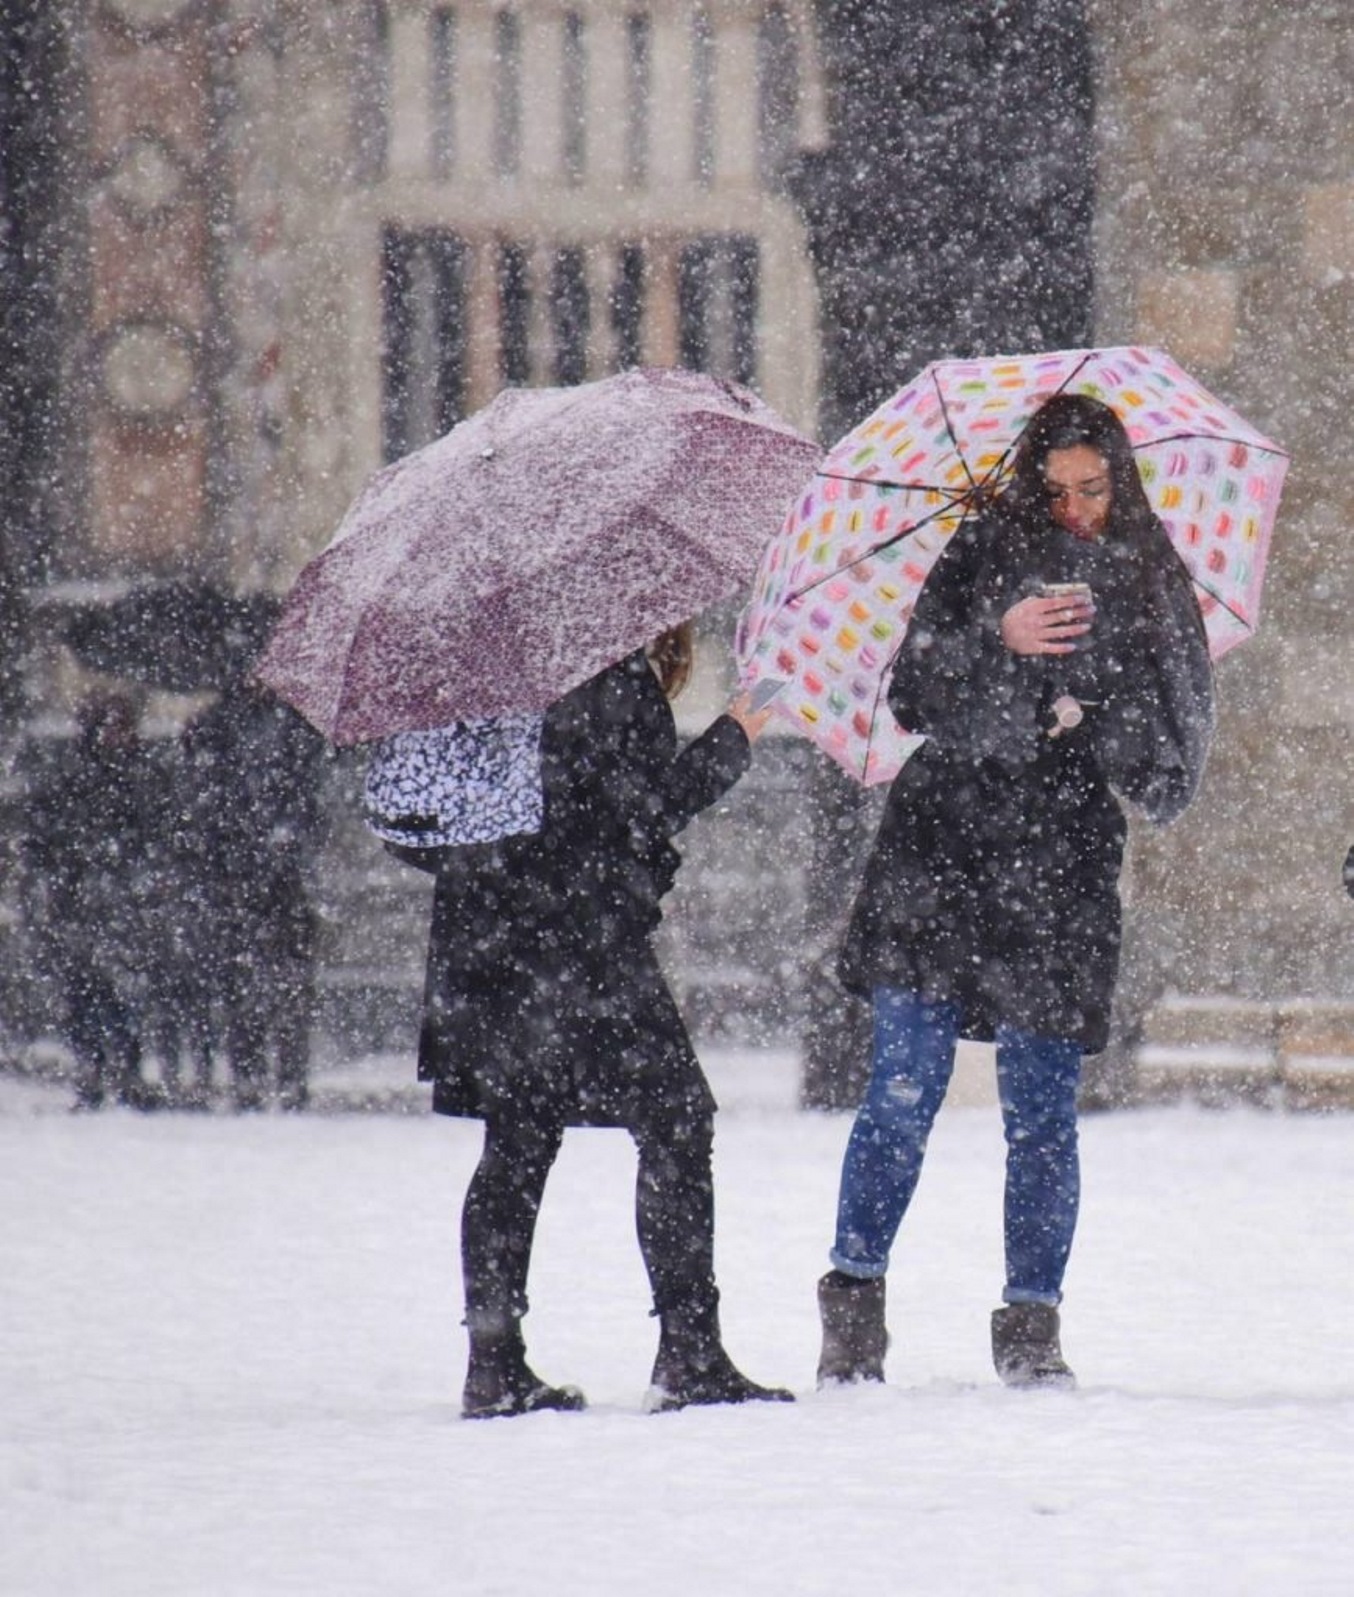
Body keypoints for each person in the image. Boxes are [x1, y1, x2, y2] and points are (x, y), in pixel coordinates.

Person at [817, 393, 1215, 1390]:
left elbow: (1166, 771)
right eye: (1056, 489)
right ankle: (853, 1308)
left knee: (1042, 1110)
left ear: (1119, 477)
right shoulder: (980, 547)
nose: (1076, 506)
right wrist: (1000, 638)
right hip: (940, 850)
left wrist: (1090, 708)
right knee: (902, 1089)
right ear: (1029, 484)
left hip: (1059, 870)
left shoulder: (1149, 580)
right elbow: (912, 688)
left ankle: (1030, 1327)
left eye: (1093, 486)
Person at [402, 625, 794, 1419]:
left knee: (517, 1137)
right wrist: (736, 734)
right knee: (677, 1121)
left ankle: (495, 1360)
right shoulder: (596, 671)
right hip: (573, 940)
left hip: (492, 930)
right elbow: (641, 810)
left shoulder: (502, 659)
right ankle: (688, 1350)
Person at [176, 676, 329, 1110]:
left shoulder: (294, 728)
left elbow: (309, 798)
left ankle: (286, 1078)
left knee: (285, 986)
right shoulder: (218, 726)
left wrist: (292, 841)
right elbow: (205, 802)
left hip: (276, 880)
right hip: (238, 878)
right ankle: (253, 1076)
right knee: (243, 986)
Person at [21, 689, 163, 1110]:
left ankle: (119, 1071)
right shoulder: (75, 776)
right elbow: (41, 837)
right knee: (88, 994)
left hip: (109, 901)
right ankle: (97, 1070)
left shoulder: (125, 774)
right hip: (85, 900)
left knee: (117, 994)